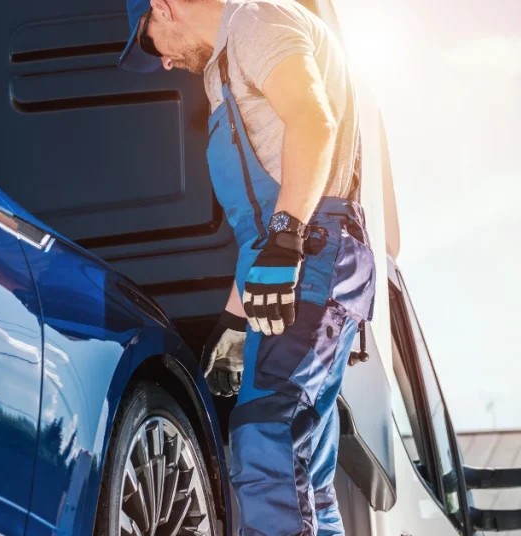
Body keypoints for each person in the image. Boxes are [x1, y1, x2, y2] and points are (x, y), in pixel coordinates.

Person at [118, 0, 376, 534]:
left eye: (149, 44)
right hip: (295, 258)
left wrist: (287, 240)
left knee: (267, 432)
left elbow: (313, 119)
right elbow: (259, 222)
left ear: (162, 8)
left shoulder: (257, 19)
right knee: (305, 472)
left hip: (314, 257)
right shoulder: (224, 72)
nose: (162, 63)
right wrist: (235, 322)